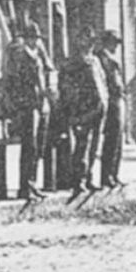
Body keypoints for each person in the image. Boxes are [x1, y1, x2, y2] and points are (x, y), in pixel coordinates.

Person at [4, 19, 55, 200]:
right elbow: (13, 82)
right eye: (31, 38)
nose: (34, 41)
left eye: (36, 38)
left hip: (41, 104)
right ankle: (25, 186)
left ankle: (33, 183)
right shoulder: (20, 56)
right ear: (26, 39)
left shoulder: (38, 55)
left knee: (39, 146)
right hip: (28, 105)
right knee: (30, 145)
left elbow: (47, 73)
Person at [56, 31, 108, 196]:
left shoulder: (95, 60)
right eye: (87, 41)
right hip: (83, 109)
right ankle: (79, 180)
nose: (91, 44)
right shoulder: (73, 63)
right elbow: (67, 87)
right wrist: (73, 108)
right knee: (82, 145)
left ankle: (89, 177)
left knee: (94, 146)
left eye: (93, 41)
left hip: (98, 107)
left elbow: (102, 81)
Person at [95, 30, 126, 188]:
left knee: (118, 141)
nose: (116, 46)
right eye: (114, 42)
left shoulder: (111, 58)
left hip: (118, 99)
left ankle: (114, 174)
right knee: (111, 139)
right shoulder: (101, 58)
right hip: (111, 101)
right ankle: (106, 176)